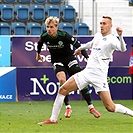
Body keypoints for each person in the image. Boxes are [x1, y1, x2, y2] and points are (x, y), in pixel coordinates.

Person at [38, 16, 133, 124]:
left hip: (99, 76)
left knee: (110, 107)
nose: (101, 25)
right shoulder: (97, 36)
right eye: (101, 23)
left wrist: (120, 36)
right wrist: (80, 48)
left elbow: (123, 48)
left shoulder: (112, 39)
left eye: (104, 24)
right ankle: (53, 119)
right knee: (62, 90)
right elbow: (90, 44)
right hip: (87, 72)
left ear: (110, 26)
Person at [36, 16, 100, 120]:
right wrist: (38, 54)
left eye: (51, 27)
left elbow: (78, 45)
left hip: (69, 59)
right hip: (57, 60)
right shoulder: (44, 36)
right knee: (62, 80)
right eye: (47, 27)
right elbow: (39, 43)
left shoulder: (64, 35)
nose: (49, 29)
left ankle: (91, 107)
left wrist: (87, 57)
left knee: (81, 80)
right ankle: (68, 107)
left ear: (56, 27)